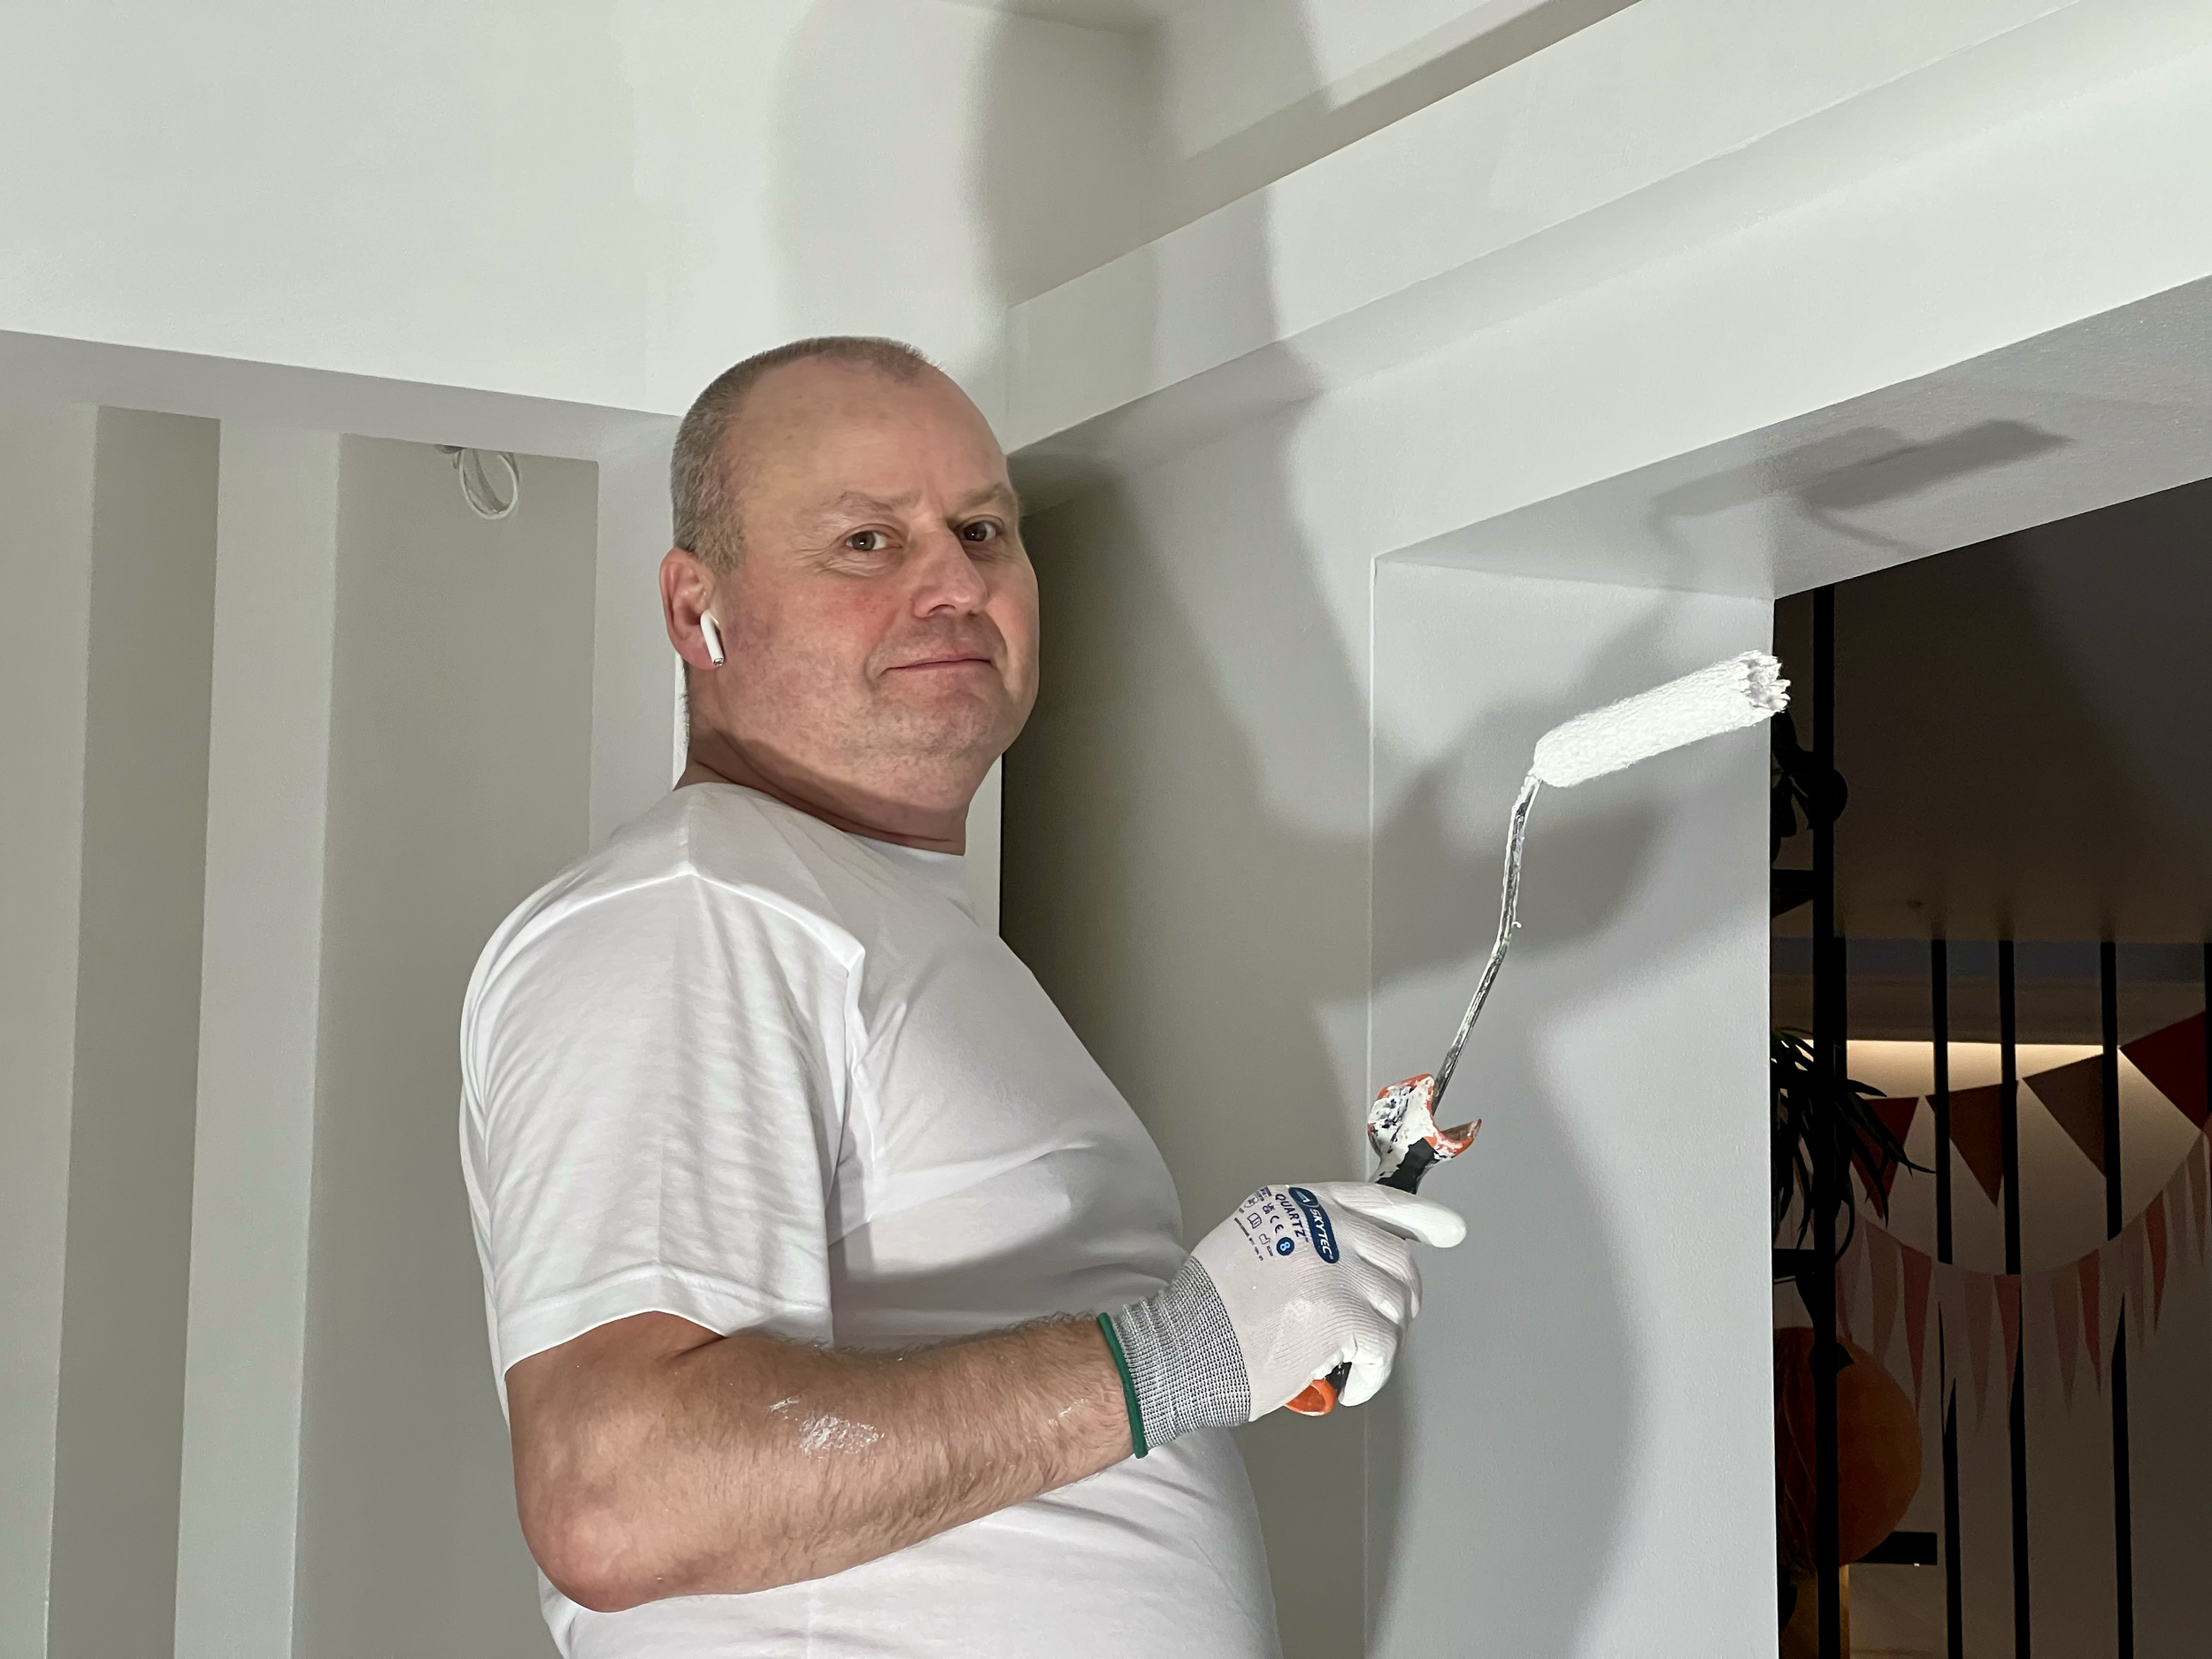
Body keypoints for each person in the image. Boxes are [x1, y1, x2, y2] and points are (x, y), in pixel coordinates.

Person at [459, 336, 1465, 1658]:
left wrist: (1233, 1324)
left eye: (983, 530)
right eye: (867, 541)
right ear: (696, 606)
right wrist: (1176, 1356)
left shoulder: (869, 917)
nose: (954, 581)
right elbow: (618, 1493)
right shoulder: (702, 903)